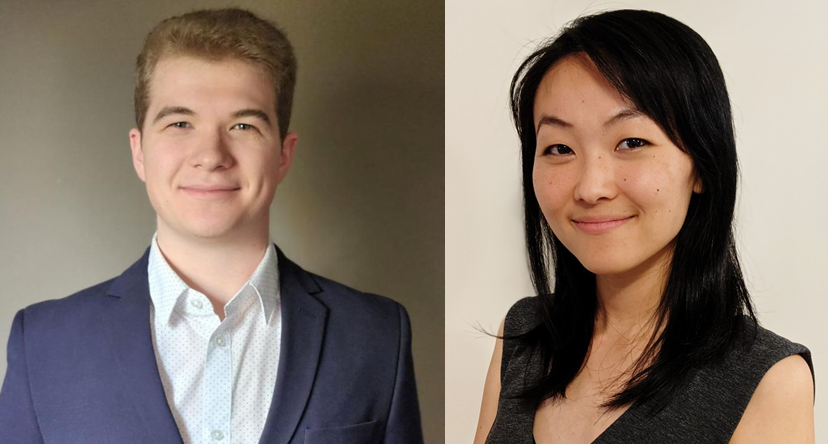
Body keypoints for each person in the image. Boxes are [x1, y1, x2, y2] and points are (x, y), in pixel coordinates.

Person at [0, 8, 423, 444]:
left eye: (243, 125)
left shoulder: (377, 334)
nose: (211, 154)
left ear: (283, 154)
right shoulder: (44, 345)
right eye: (180, 123)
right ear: (139, 151)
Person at [474, 9, 814, 444]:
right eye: (559, 147)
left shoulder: (768, 381)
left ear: (702, 167)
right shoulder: (523, 334)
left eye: (631, 142)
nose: (590, 187)